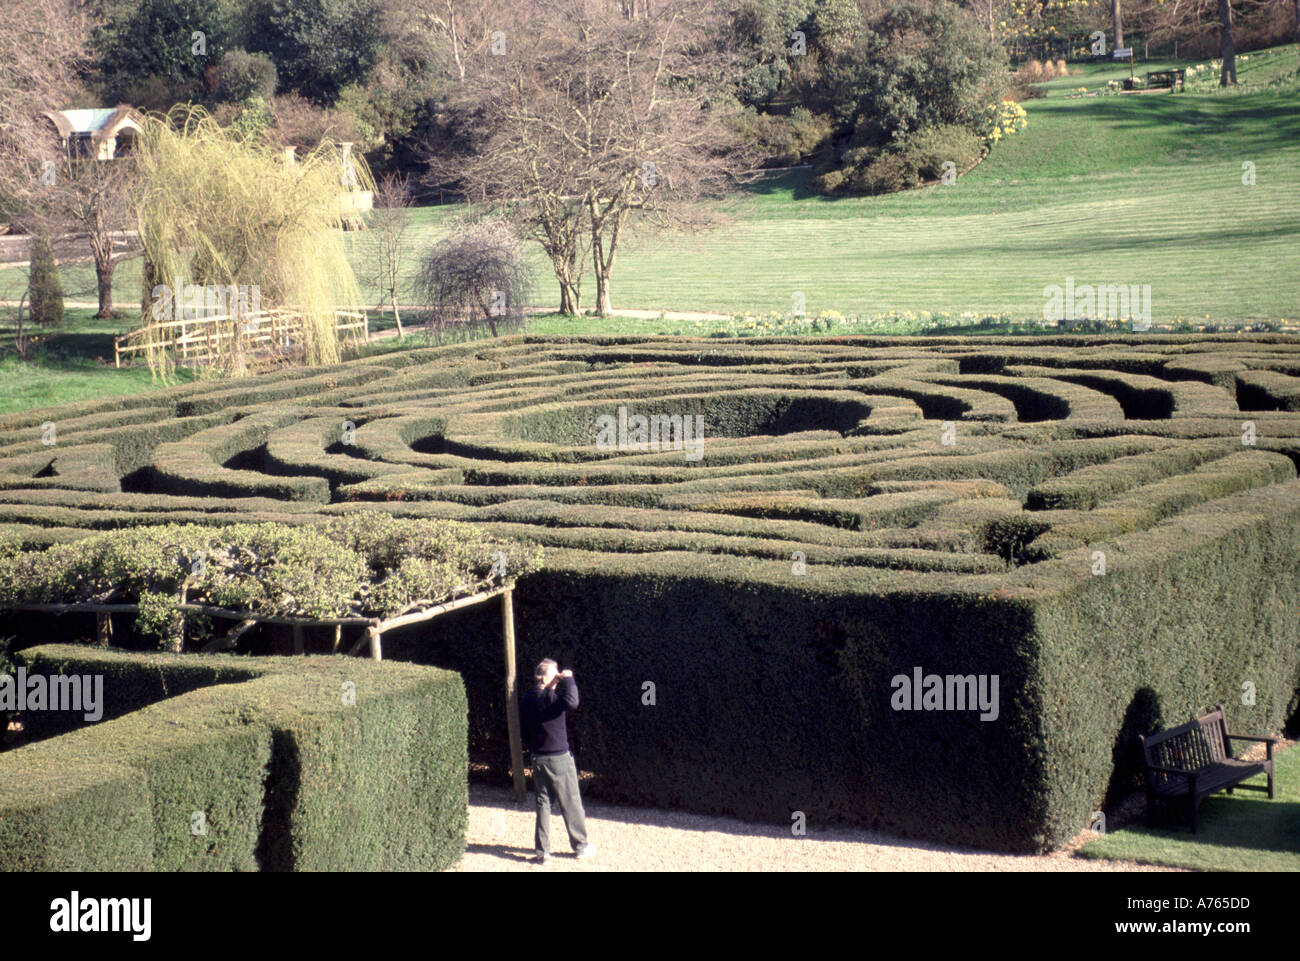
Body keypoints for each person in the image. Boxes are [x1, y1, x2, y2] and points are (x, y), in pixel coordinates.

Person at [519, 658, 593, 864]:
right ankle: (580, 846)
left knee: (543, 804)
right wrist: (569, 679)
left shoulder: (526, 699)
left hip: (538, 758)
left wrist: (533, 749)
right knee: (571, 802)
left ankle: (543, 852)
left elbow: (524, 730)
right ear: (544, 677)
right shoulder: (551, 699)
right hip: (559, 758)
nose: (558, 678)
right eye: (555, 674)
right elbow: (572, 702)